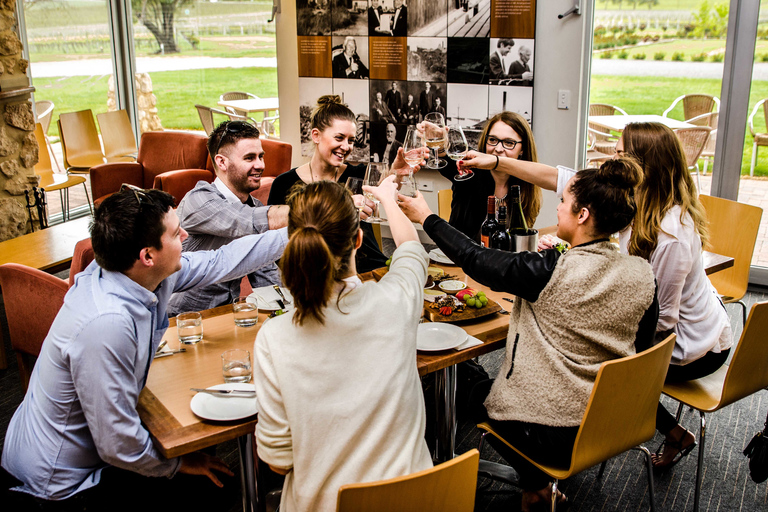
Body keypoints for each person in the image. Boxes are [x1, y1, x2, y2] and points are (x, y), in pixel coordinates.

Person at [1, 187, 288, 509]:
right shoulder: (106, 322)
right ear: (147, 256)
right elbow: (117, 445)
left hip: (88, 449)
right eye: (174, 232)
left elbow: (221, 260)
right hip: (60, 482)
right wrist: (177, 465)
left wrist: (297, 231)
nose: (185, 233)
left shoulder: (134, 273)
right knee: (212, 490)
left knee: (211, 470)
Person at [468, 122, 733, 469]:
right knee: (585, 346)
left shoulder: (671, 235)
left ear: (644, 165)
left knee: (591, 355)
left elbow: (663, 323)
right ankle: (672, 431)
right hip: (670, 327)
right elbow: (559, 177)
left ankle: (571, 441)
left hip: (692, 346)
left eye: (621, 152)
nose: (612, 157)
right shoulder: (628, 198)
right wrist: (497, 163)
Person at [398, 158, 658, 511]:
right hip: (611, 420)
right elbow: (640, 350)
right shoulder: (642, 273)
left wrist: (426, 217)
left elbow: (475, 258)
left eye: (564, 201)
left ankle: (456, 472)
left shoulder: (551, 271)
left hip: (549, 431)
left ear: (582, 215)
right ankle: (536, 486)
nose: (559, 206)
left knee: (451, 371)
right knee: (481, 375)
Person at [254, 177, 433, 512]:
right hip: (414, 501)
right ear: (359, 240)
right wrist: (388, 200)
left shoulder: (273, 337)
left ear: (292, 242)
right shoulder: (397, 300)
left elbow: (278, 462)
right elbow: (411, 250)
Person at [268, 95, 414, 273]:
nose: (346, 147)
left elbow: (385, 187)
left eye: (351, 140)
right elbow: (272, 243)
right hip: (313, 275)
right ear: (316, 135)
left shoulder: (358, 174)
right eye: (339, 138)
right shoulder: (283, 183)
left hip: (365, 269)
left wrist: (396, 173)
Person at [168, 121, 289, 316]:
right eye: (249, 158)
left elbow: (265, 273)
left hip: (223, 317)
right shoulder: (198, 200)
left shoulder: (254, 207)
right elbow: (243, 221)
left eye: (260, 156)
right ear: (222, 162)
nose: (260, 165)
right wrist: (317, 211)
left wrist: (289, 309)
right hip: (180, 320)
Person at [422, 111, 541, 242]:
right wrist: (439, 147)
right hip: (461, 259)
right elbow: (450, 163)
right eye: (493, 140)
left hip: (505, 260)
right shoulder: (471, 171)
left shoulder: (525, 185)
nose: (498, 148)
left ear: (522, 149)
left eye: (508, 142)